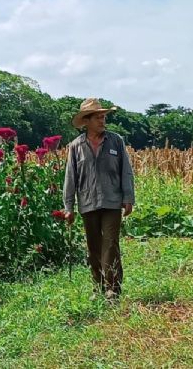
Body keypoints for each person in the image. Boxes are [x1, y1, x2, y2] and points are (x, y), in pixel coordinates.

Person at [63, 98, 135, 301]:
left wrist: (128, 197)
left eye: (104, 117)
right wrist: (68, 206)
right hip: (87, 202)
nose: (103, 121)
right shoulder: (76, 146)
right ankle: (98, 285)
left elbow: (126, 171)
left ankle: (113, 288)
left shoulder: (115, 141)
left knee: (110, 243)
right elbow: (70, 177)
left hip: (112, 201)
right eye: (98, 117)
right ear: (86, 120)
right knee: (93, 245)